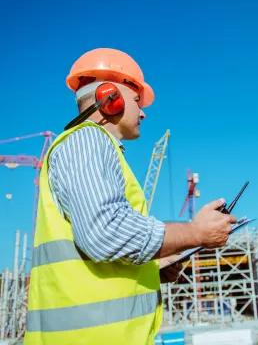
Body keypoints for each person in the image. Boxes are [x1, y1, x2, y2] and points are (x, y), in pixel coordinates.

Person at [24, 48, 237, 345]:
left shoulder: (96, 148)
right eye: (137, 100)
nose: (143, 111)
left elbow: (96, 246)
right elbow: (105, 232)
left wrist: (151, 268)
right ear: (110, 97)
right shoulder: (87, 140)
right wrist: (195, 232)